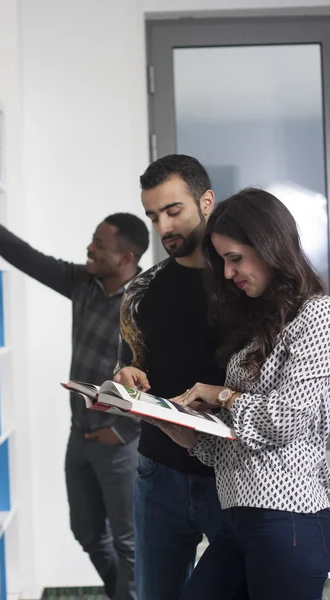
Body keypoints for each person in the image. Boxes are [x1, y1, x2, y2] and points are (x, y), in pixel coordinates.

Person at [0, 201, 149, 600]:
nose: (89, 249)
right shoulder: (83, 283)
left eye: (98, 244)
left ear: (126, 257)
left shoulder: (145, 304)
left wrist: (122, 430)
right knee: (86, 532)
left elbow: (161, 380)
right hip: (80, 434)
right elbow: (32, 260)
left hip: (120, 444)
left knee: (129, 544)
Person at [157, 187, 330, 600]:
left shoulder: (317, 315)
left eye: (235, 258)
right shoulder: (257, 326)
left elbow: (284, 421)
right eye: (222, 262)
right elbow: (243, 443)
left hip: (289, 516)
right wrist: (192, 438)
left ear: (270, 246)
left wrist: (221, 396)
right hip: (238, 516)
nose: (229, 273)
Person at [114, 155, 247, 600]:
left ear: (206, 201)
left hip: (232, 472)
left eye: (174, 211)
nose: (164, 227)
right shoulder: (141, 290)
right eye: (154, 216)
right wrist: (127, 375)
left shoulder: (245, 284)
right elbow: (131, 363)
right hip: (159, 472)